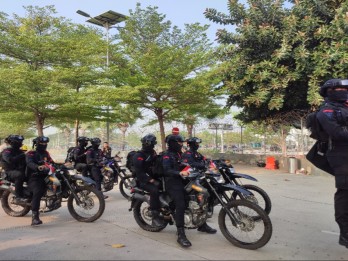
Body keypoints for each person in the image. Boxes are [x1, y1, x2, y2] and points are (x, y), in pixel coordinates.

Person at [162, 134, 216, 248]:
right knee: (181, 204)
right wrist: (179, 173)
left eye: (182, 142)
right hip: (172, 182)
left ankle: (202, 224)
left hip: (184, 179)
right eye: (179, 142)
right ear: (172, 143)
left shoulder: (180, 154)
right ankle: (181, 234)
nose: (181, 144)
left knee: (199, 198)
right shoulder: (166, 155)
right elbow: (167, 170)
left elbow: (187, 164)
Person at [317, 78, 348, 248]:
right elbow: (337, 133)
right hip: (341, 156)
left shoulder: (344, 107)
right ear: (329, 91)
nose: (344, 91)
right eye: (340, 89)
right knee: (345, 192)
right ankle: (345, 233)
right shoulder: (326, 110)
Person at [132, 134, 164, 227]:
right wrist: (151, 180)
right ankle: (155, 216)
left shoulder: (152, 153)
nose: (153, 145)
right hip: (143, 181)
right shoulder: (139, 155)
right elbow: (140, 172)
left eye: (154, 143)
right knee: (154, 190)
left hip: (154, 177)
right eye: (152, 143)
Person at [26, 136, 54, 226]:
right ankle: (35, 217)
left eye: (45, 143)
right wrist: (38, 167)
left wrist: (62, 165)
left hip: (46, 175)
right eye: (42, 143)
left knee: (58, 182)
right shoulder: (31, 153)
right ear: (37, 144)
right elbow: (29, 163)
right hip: (34, 176)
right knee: (38, 192)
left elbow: (51, 162)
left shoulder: (46, 153)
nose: (44, 145)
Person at [1, 135, 27, 203]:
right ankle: (18, 197)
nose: (21, 143)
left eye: (21, 141)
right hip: (10, 172)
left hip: (20, 169)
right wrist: (23, 155)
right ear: (13, 142)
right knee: (20, 175)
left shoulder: (20, 151)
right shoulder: (6, 151)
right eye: (19, 141)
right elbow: (10, 160)